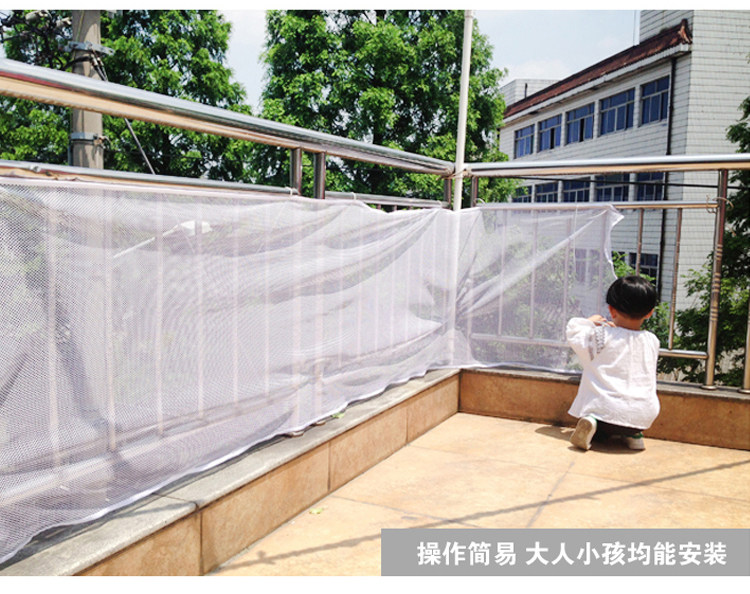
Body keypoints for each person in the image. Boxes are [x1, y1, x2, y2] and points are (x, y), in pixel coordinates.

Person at [566, 275, 660, 451]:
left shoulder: (601, 336)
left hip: (605, 414)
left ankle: (593, 423)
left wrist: (589, 322)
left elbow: (574, 334)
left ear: (611, 310)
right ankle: (634, 435)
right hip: (643, 416)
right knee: (629, 414)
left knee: (602, 414)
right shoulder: (652, 341)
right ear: (649, 313)